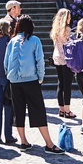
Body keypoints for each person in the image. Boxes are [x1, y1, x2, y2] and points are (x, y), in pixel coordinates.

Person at [4, 15, 66, 154]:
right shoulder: (35, 40)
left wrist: (10, 75)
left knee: (18, 111)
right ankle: (49, 144)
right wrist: (40, 76)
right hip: (30, 79)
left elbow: (6, 62)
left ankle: (23, 142)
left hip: (14, 81)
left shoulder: (12, 41)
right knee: (38, 110)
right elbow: (40, 60)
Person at [50, 8, 77, 119]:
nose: (70, 18)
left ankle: (61, 109)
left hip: (57, 57)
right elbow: (70, 44)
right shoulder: (67, 30)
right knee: (67, 85)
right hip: (66, 58)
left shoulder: (55, 30)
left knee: (60, 84)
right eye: (69, 16)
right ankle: (67, 110)